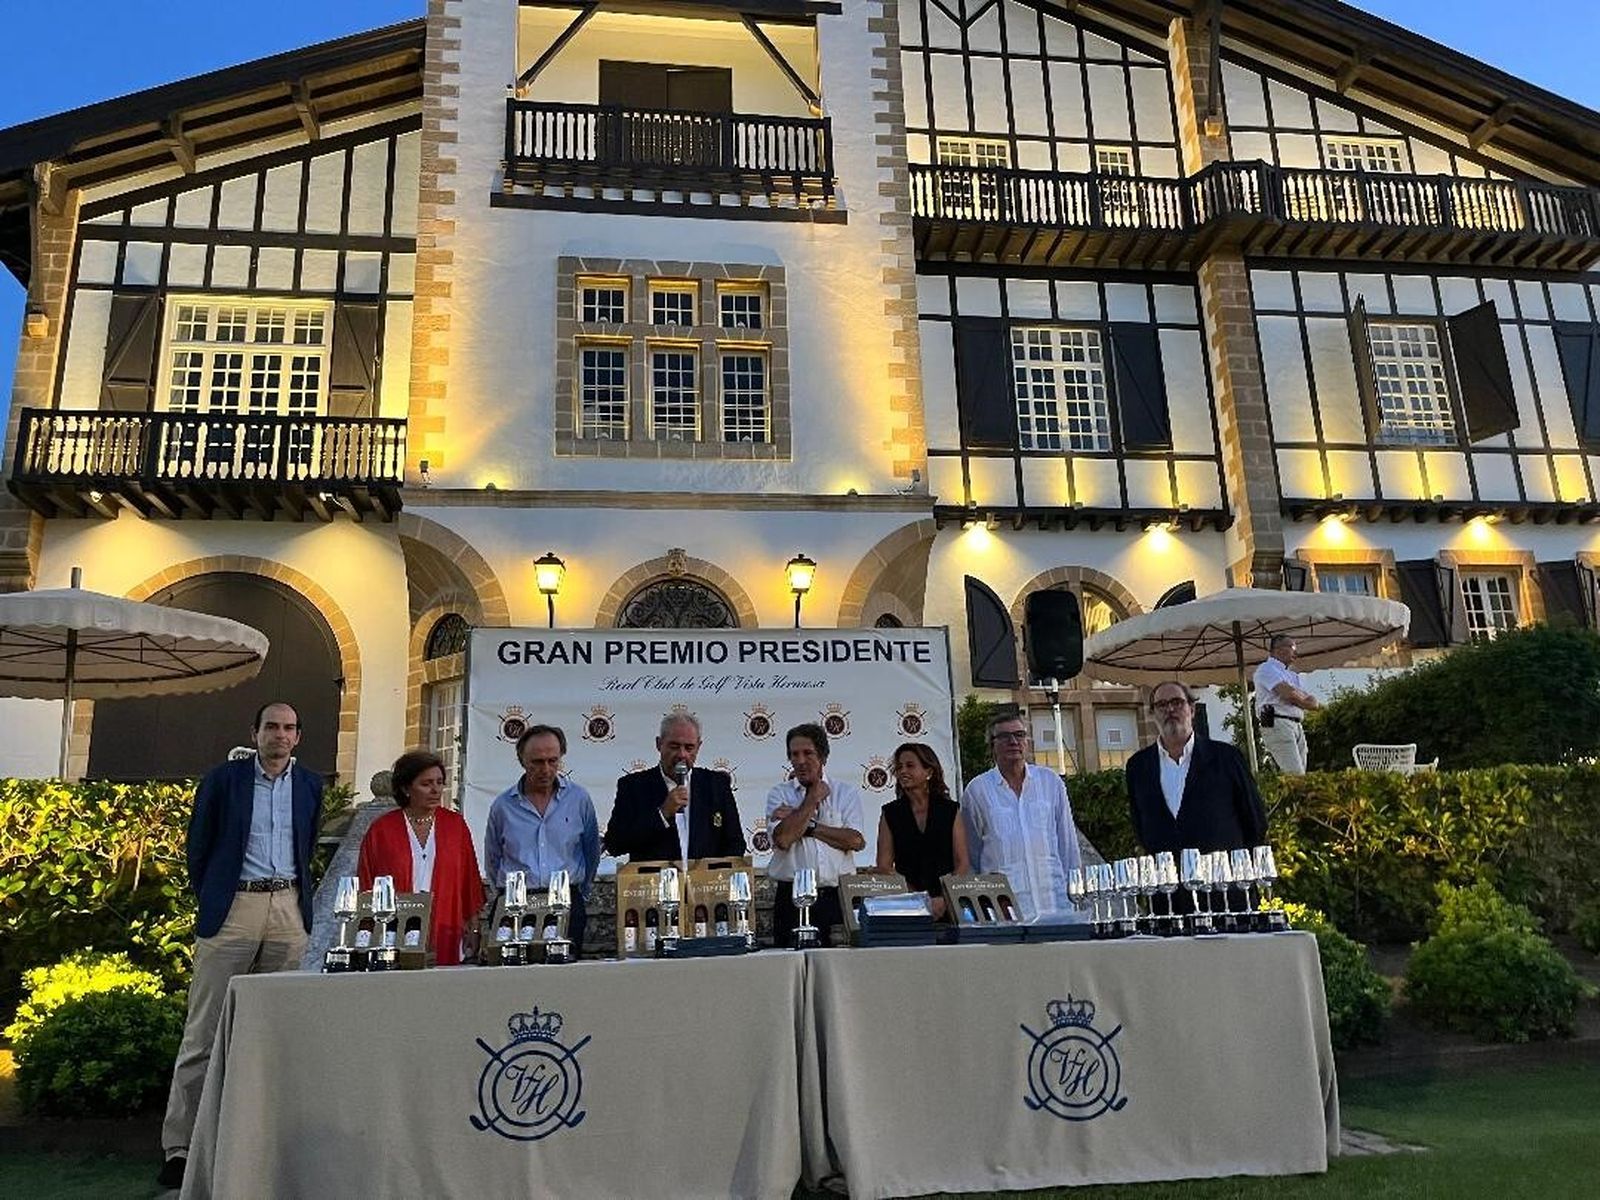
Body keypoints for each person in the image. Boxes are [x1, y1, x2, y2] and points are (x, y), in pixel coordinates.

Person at [158, 702, 323, 1189]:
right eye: (271, 726)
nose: (280, 735)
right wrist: (215, 897)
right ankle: (180, 1146)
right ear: (255, 732)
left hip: (288, 910)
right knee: (203, 1031)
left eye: (289, 728)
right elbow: (199, 848)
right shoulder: (223, 780)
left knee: (279, 1030)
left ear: (298, 736)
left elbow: (307, 844)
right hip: (233, 909)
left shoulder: (311, 784)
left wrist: (291, 905)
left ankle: (268, 1139)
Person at [356, 750, 483, 966]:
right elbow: (367, 884)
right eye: (426, 784)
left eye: (439, 782)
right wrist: (365, 933)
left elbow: (469, 880)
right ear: (406, 788)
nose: (435, 790)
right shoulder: (382, 830)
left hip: (446, 927)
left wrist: (474, 927)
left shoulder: (455, 826)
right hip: (394, 931)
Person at [484, 724, 600, 956]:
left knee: (563, 979)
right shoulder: (503, 806)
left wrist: (579, 894)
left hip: (566, 901)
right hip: (515, 905)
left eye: (553, 761)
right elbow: (493, 858)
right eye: (537, 762)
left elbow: (591, 851)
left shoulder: (579, 799)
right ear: (522, 761)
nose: (546, 769)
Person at [961, 712, 1085, 923]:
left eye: (1019, 735)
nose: (1013, 741)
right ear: (992, 745)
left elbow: (1068, 846)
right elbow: (972, 856)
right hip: (1006, 914)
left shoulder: (1050, 782)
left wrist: (1078, 897)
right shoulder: (977, 790)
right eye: (1004, 737)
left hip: (1056, 908)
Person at [1126, 681, 1267, 860]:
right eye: (1161, 705)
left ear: (1192, 710)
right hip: (1170, 882)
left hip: (1223, 880)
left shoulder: (1226, 757)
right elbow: (1140, 827)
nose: (1170, 709)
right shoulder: (1138, 767)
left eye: (1177, 702)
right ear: (1153, 714)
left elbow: (1255, 819)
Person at [766, 722, 866, 947]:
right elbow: (783, 838)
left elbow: (855, 840)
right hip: (791, 899)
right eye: (794, 754)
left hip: (836, 898)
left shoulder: (845, 793)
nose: (800, 761)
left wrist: (807, 825)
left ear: (823, 756)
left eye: (807, 753)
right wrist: (812, 799)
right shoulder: (779, 794)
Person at [604, 712, 746, 866]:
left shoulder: (717, 784)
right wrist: (663, 814)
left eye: (689, 747)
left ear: (699, 747)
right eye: (674, 746)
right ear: (659, 744)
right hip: (654, 885)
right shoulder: (633, 786)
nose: (682, 754)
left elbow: (735, 843)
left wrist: (713, 877)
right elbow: (614, 844)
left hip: (705, 886)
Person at [875, 742, 970, 918]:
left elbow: (962, 863)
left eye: (910, 766)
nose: (903, 771)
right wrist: (918, 900)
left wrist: (944, 898)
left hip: (951, 905)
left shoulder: (949, 810)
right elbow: (884, 866)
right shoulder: (890, 813)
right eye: (899, 767)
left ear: (929, 772)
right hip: (908, 906)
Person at [1253, 634, 1320, 775]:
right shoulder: (1266, 669)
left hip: (1296, 724)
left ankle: (1296, 797)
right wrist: (1300, 699)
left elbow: (1312, 702)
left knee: (1301, 774)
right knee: (1295, 774)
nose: (1296, 651)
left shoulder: (1292, 675)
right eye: (1293, 647)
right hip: (1277, 721)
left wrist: (1299, 698)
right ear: (1279, 649)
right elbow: (1288, 694)